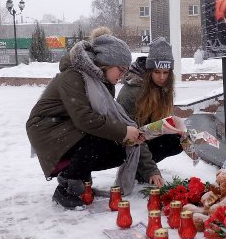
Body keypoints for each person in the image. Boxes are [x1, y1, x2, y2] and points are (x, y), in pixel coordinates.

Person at [26, 26, 164, 209]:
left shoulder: (103, 83)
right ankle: (66, 186)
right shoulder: (74, 76)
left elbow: (107, 119)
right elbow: (84, 119)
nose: (122, 75)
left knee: (118, 149)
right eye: (120, 70)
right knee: (99, 138)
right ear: (106, 63)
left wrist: (132, 138)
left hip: (68, 127)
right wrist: (123, 131)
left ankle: (78, 176)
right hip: (46, 128)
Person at [117, 38, 182, 177]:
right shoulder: (133, 91)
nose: (162, 77)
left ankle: (142, 169)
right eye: (157, 72)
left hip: (145, 137)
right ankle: (139, 169)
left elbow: (164, 122)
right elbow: (135, 136)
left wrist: (183, 131)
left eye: (166, 72)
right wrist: (151, 171)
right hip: (124, 142)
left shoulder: (163, 88)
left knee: (177, 139)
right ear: (149, 71)